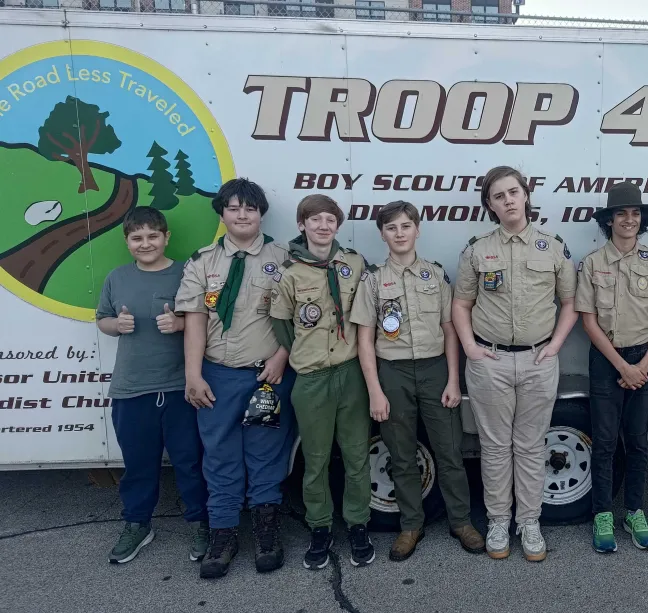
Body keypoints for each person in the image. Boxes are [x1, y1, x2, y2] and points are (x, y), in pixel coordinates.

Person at [452, 166, 578, 562]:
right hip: (489, 361)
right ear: (489, 205)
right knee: (493, 447)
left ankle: (529, 522)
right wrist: (470, 348)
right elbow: (461, 304)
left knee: (530, 446)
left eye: (513, 192)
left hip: (539, 360)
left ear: (525, 195)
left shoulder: (552, 246)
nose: (507, 200)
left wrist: (555, 345)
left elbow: (570, 302)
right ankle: (498, 521)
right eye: (498, 196)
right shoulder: (477, 250)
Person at [350, 200, 486, 562]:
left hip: (435, 370)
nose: (399, 234)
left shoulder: (435, 275)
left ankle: (461, 522)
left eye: (405, 226)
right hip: (392, 373)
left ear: (417, 230)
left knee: (450, 452)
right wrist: (375, 391)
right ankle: (411, 525)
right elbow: (365, 340)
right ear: (382, 234)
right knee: (402, 454)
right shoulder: (373, 280)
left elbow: (450, 329)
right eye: (391, 228)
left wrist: (453, 380)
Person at [175, 178, 297, 579]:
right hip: (217, 377)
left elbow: (300, 316)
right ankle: (223, 535)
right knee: (220, 456)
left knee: (266, 455)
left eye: (250, 208)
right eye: (233, 208)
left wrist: (281, 358)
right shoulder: (203, 261)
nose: (242, 215)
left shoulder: (284, 258)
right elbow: (195, 320)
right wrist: (193, 374)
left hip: (267, 377)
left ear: (261, 213)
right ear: (222, 213)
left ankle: (266, 534)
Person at [96, 207, 209, 565]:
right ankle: (138, 524)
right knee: (138, 465)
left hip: (180, 387)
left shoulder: (187, 273)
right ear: (127, 241)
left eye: (152, 236)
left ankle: (201, 523)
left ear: (166, 237)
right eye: (137, 238)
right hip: (132, 389)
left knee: (190, 462)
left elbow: (206, 318)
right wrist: (117, 326)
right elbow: (102, 320)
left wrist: (179, 324)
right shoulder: (117, 278)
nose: (145, 244)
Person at [269, 194, 374, 570]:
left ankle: (358, 524)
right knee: (315, 459)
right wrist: (304, 354)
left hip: (350, 373)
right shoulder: (290, 272)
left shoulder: (354, 263)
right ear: (302, 225)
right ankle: (320, 526)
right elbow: (282, 324)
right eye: (315, 220)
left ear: (337, 225)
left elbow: (367, 313)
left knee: (356, 455)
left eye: (330, 219)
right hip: (312, 377)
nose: (323, 226)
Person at [574, 182, 648, 554]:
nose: (629, 220)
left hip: (643, 359)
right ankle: (602, 514)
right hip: (607, 360)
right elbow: (588, 321)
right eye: (622, 213)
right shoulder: (592, 263)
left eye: (636, 214)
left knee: (636, 440)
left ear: (642, 220)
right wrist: (622, 365)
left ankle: (634, 511)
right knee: (604, 442)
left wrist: (643, 364)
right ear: (609, 220)